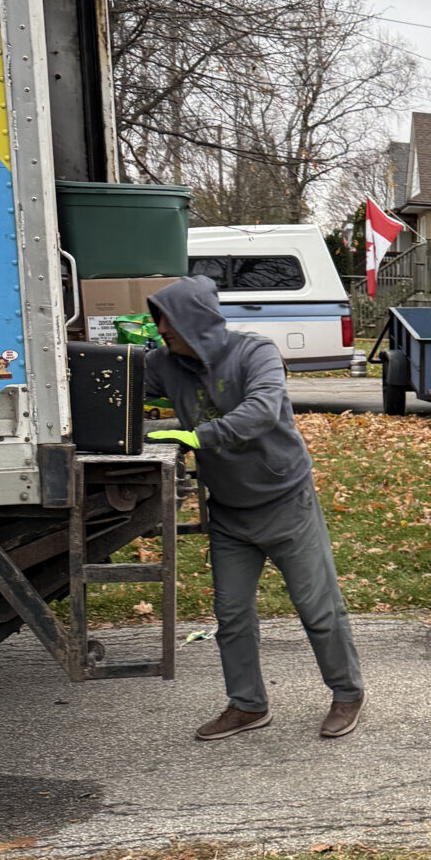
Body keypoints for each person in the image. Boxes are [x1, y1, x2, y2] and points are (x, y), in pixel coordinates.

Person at [142, 275, 366, 743]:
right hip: (229, 512)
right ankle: (247, 705)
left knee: (319, 610)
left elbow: (263, 409)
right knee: (232, 616)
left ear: (195, 322)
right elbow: (118, 386)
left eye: (168, 324)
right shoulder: (165, 363)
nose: (161, 332)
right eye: (158, 324)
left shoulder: (254, 352)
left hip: (286, 502)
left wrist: (197, 436)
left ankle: (347, 694)